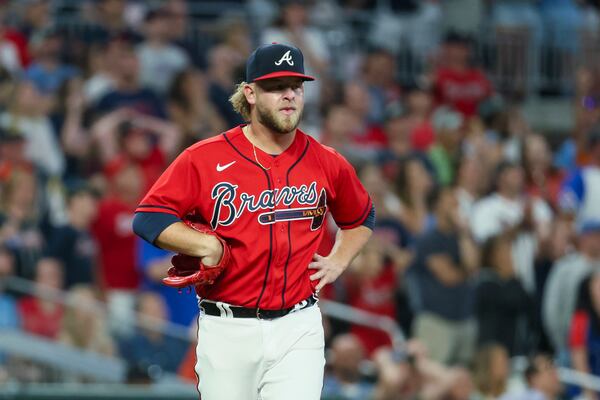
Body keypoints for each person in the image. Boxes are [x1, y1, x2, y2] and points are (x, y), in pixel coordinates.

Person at [133, 43, 374, 400]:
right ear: (250, 93)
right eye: (277, 87)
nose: (289, 95)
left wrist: (340, 258)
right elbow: (149, 218)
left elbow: (361, 216)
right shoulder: (205, 157)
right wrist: (204, 244)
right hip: (227, 326)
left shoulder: (326, 161)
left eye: (296, 86)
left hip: (298, 325)